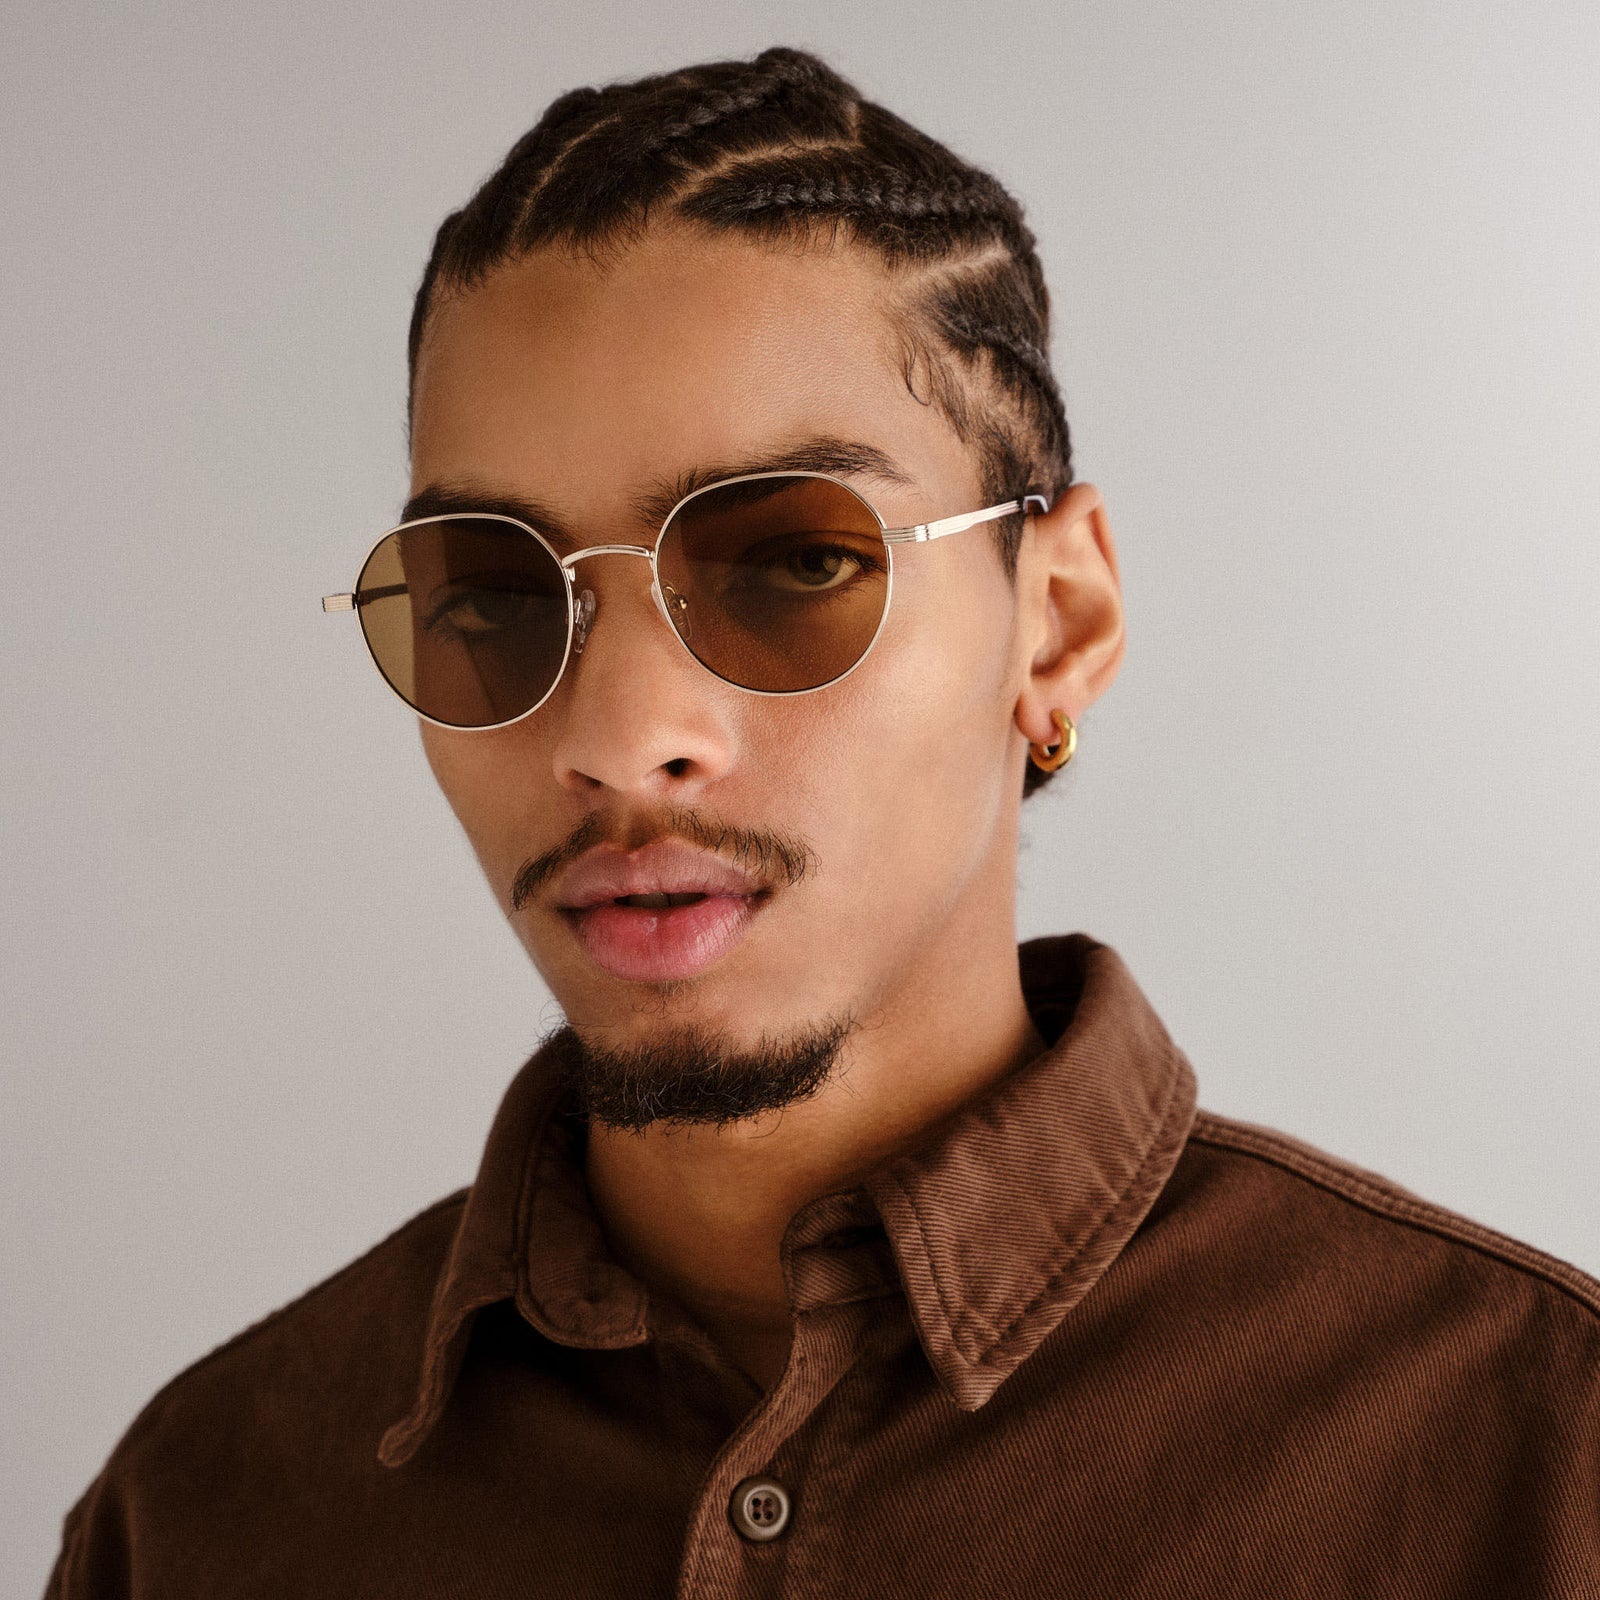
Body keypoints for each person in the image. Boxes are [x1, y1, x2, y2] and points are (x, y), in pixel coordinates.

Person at [47, 46, 1599, 1599]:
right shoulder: (202, 1519)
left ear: (1056, 622)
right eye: (496, 597)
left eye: (795, 563)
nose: (621, 739)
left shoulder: (1532, 1456)